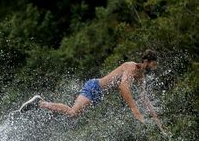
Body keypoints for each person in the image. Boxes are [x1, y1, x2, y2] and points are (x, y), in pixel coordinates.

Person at [19, 49, 165, 131]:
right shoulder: (131, 66)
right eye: (153, 64)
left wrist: (159, 123)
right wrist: (135, 111)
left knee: (72, 115)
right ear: (145, 61)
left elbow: (145, 99)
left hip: (98, 94)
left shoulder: (141, 78)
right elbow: (123, 86)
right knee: (72, 112)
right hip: (94, 87)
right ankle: (40, 103)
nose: (154, 67)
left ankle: (42, 106)